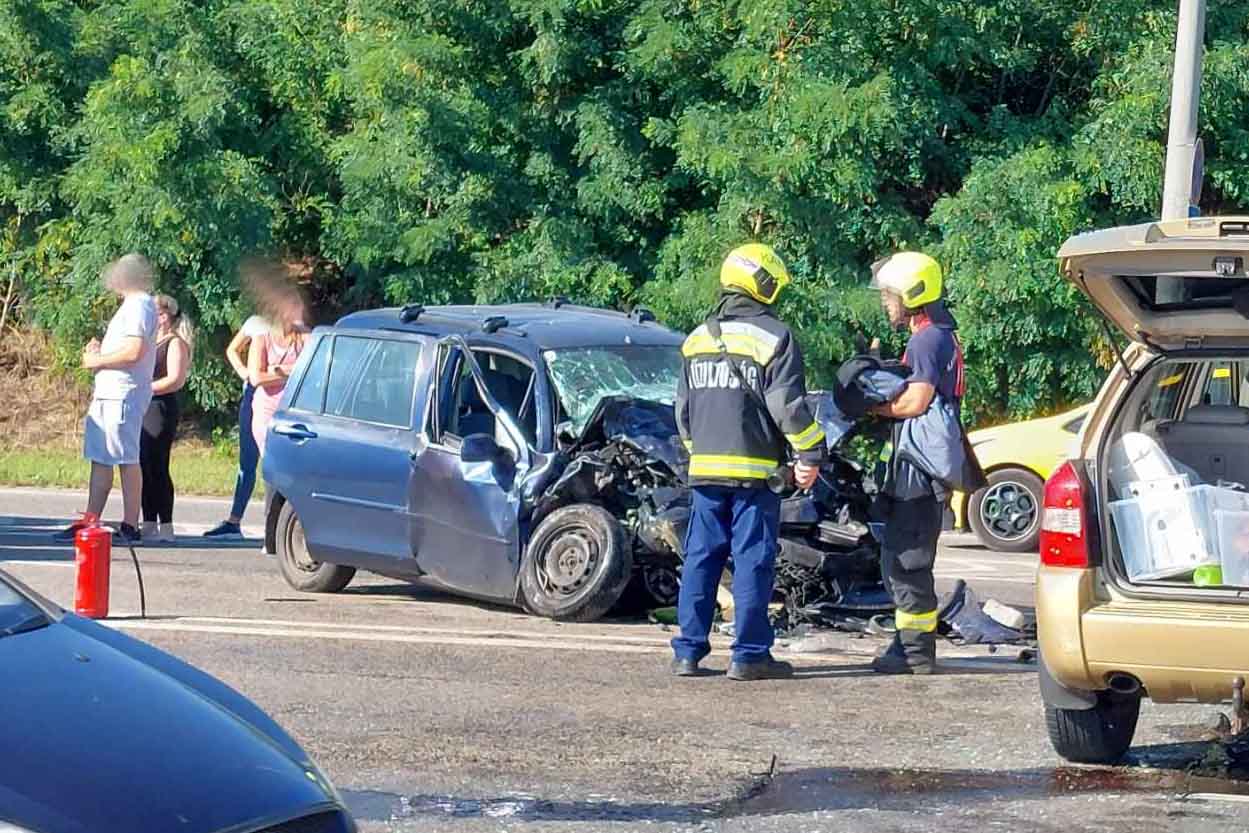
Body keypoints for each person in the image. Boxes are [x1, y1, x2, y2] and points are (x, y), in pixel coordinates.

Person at [670, 243, 826, 681]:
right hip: (755, 474)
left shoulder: (697, 338)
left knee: (700, 559)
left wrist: (699, 453)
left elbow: (682, 413)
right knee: (752, 561)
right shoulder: (775, 336)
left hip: (704, 473)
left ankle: (688, 651)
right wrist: (810, 452)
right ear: (763, 283)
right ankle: (749, 654)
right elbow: (787, 407)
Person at [869, 251, 968, 675]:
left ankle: (914, 653)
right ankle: (909, 644)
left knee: (907, 560)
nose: (885, 302)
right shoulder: (938, 334)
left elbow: (915, 401)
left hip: (918, 472)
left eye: (890, 295)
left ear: (912, 294)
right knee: (903, 558)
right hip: (921, 470)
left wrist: (870, 406)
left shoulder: (926, 339)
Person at [54, 254, 159, 545]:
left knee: (125, 457)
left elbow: (134, 351)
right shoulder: (132, 306)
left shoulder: (140, 305)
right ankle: (91, 518)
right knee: (101, 457)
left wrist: (97, 360)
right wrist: (99, 352)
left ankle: (130, 524)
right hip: (110, 393)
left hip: (123, 393)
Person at [202, 305, 273, 541]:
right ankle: (234, 520)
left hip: (278, 394)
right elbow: (233, 349)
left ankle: (277, 525)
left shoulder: (294, 328)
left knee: (275, 465)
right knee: (248, 460)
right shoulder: (256, 321)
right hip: (254, 391)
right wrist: (244, 371)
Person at [139, 295, 193, 543]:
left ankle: (166, 525)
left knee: (158, 465)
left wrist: (145, 387)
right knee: (143, 465)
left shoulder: (175, 344)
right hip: (143, 406)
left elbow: (175, 379)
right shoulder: (150, 342)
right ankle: (148, 521)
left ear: (163, 316)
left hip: (160, 408)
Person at [248, 284, 308, 456]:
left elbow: (312, 373)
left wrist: (277, 370)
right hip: (267, 414)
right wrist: (296, 373)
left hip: (297, 415)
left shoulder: (306, 336)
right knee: (273, 465)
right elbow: (256, 378)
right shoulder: (262, 337)